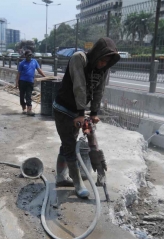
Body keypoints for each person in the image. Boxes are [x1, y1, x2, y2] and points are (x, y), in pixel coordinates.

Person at [52, 38, 120, 198]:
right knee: (69, 145)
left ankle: (61, 178)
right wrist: (82, 114)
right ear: (96, 55)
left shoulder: (104, 68)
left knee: (68, 144)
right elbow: (79, 86)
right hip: (63, 109)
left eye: (107, 62)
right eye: (102, 60)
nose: (103, 64)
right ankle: (77, 182)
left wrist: (94, 112)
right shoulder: (79, 58)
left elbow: (99, 90)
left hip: (78, 112)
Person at [15, 50, 46, 116]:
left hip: (30, 82)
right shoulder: (22, 63)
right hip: (22, 82)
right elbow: (18, 74)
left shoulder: (34, 61)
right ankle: (24, 107)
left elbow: (39, 70)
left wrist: (45, 76)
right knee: (22, 96)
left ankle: (29, 110)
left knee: (28, 95)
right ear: (25, 56)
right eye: (28, 55)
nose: (30, 56)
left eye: (30, 55)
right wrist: (17, 83)